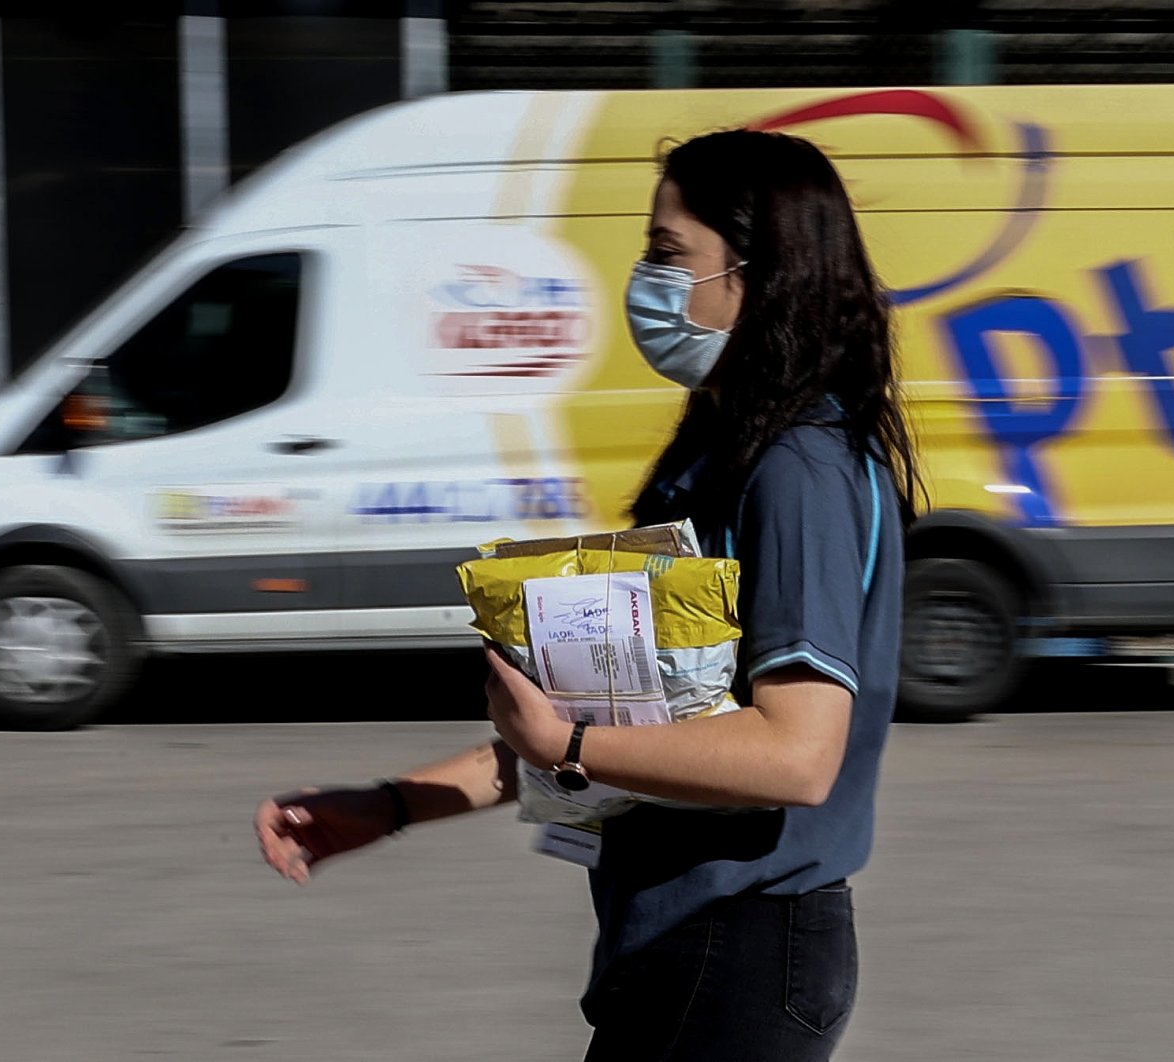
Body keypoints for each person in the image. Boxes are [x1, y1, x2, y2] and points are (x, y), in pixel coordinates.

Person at [255, 128, 923, 1062]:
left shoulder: (798, 470)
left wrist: (566, 744)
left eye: (666, 252)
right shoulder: (717, 452)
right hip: (678, 939)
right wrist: (395, 804)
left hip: (739, 944)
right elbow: (624, 721)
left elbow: (798, 754)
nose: (644, 277)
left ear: (756, 272)